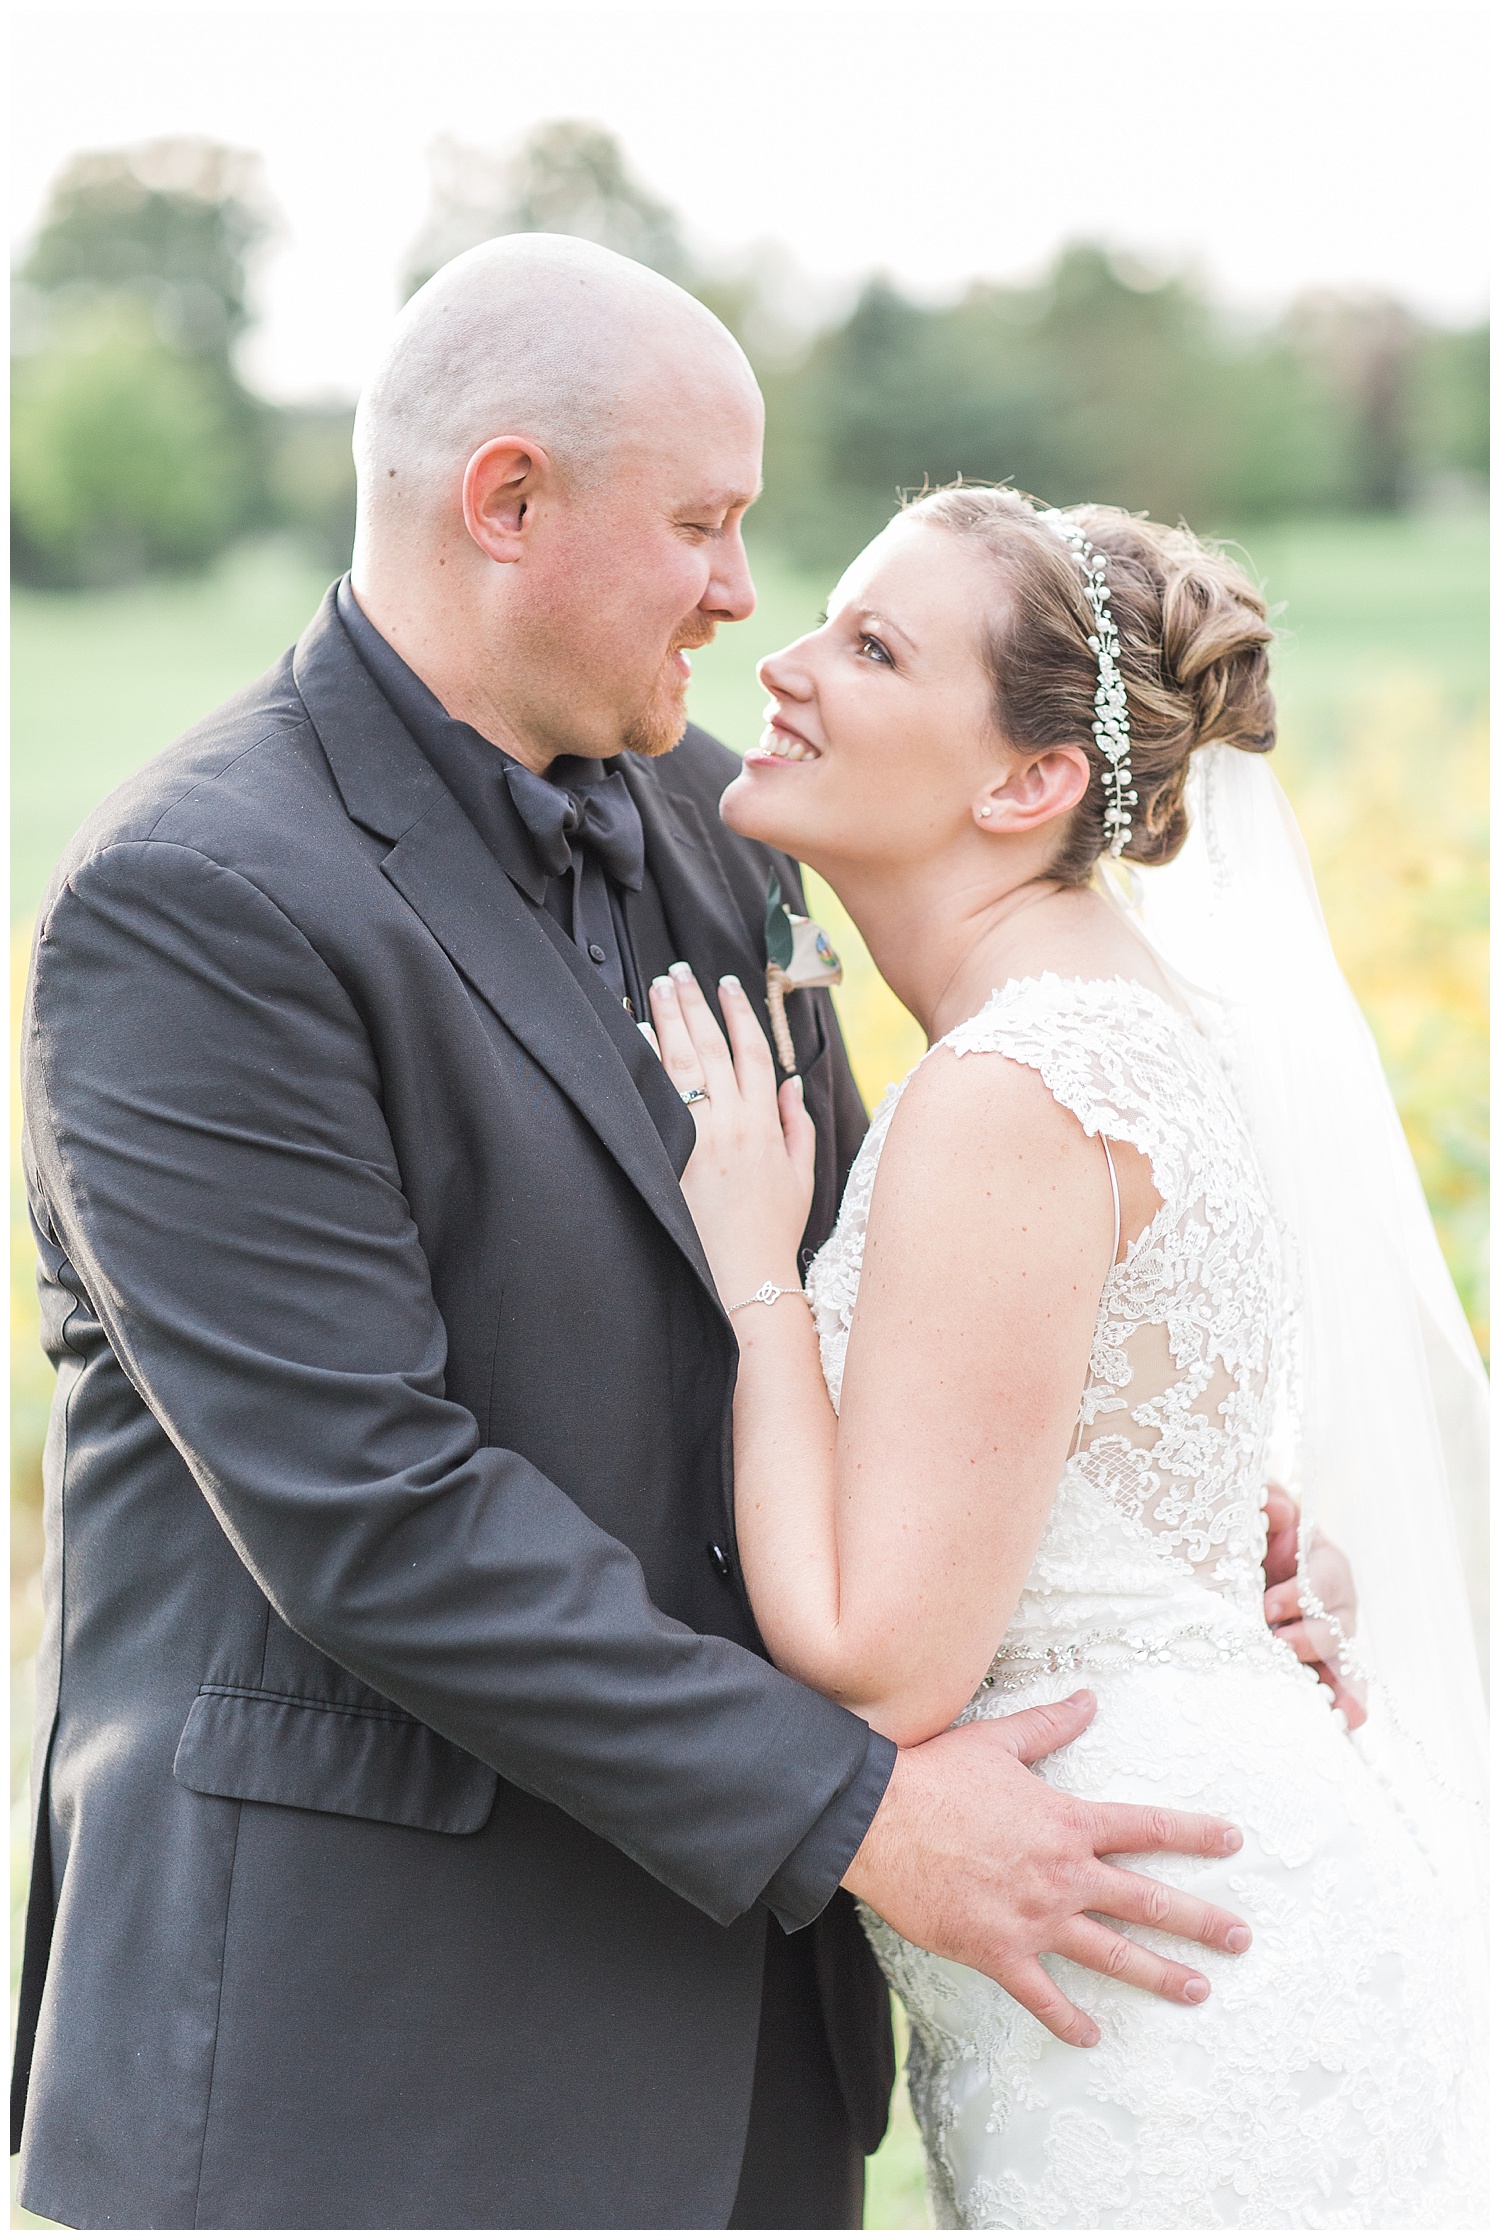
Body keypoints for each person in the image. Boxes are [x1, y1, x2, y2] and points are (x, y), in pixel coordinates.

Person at [13, 239, 1272, 2231]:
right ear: (505, 502)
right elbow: (376, 1509)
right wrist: (859, 1815)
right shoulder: (196, 903)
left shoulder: (723, 814)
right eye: (700, 523)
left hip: (738, 2062)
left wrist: (1157, 1517)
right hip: (366, 2077)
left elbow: (898, 1295)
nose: (742, 594)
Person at [647, 486, 1488, 2228]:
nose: (783, 667)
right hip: (1173, 1918)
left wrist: (754, 1269)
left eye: (872, 649)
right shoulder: (1122, 1025)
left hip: (1171, 1991)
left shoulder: (1014, 1086)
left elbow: (885, 1673)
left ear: (1028, 784)